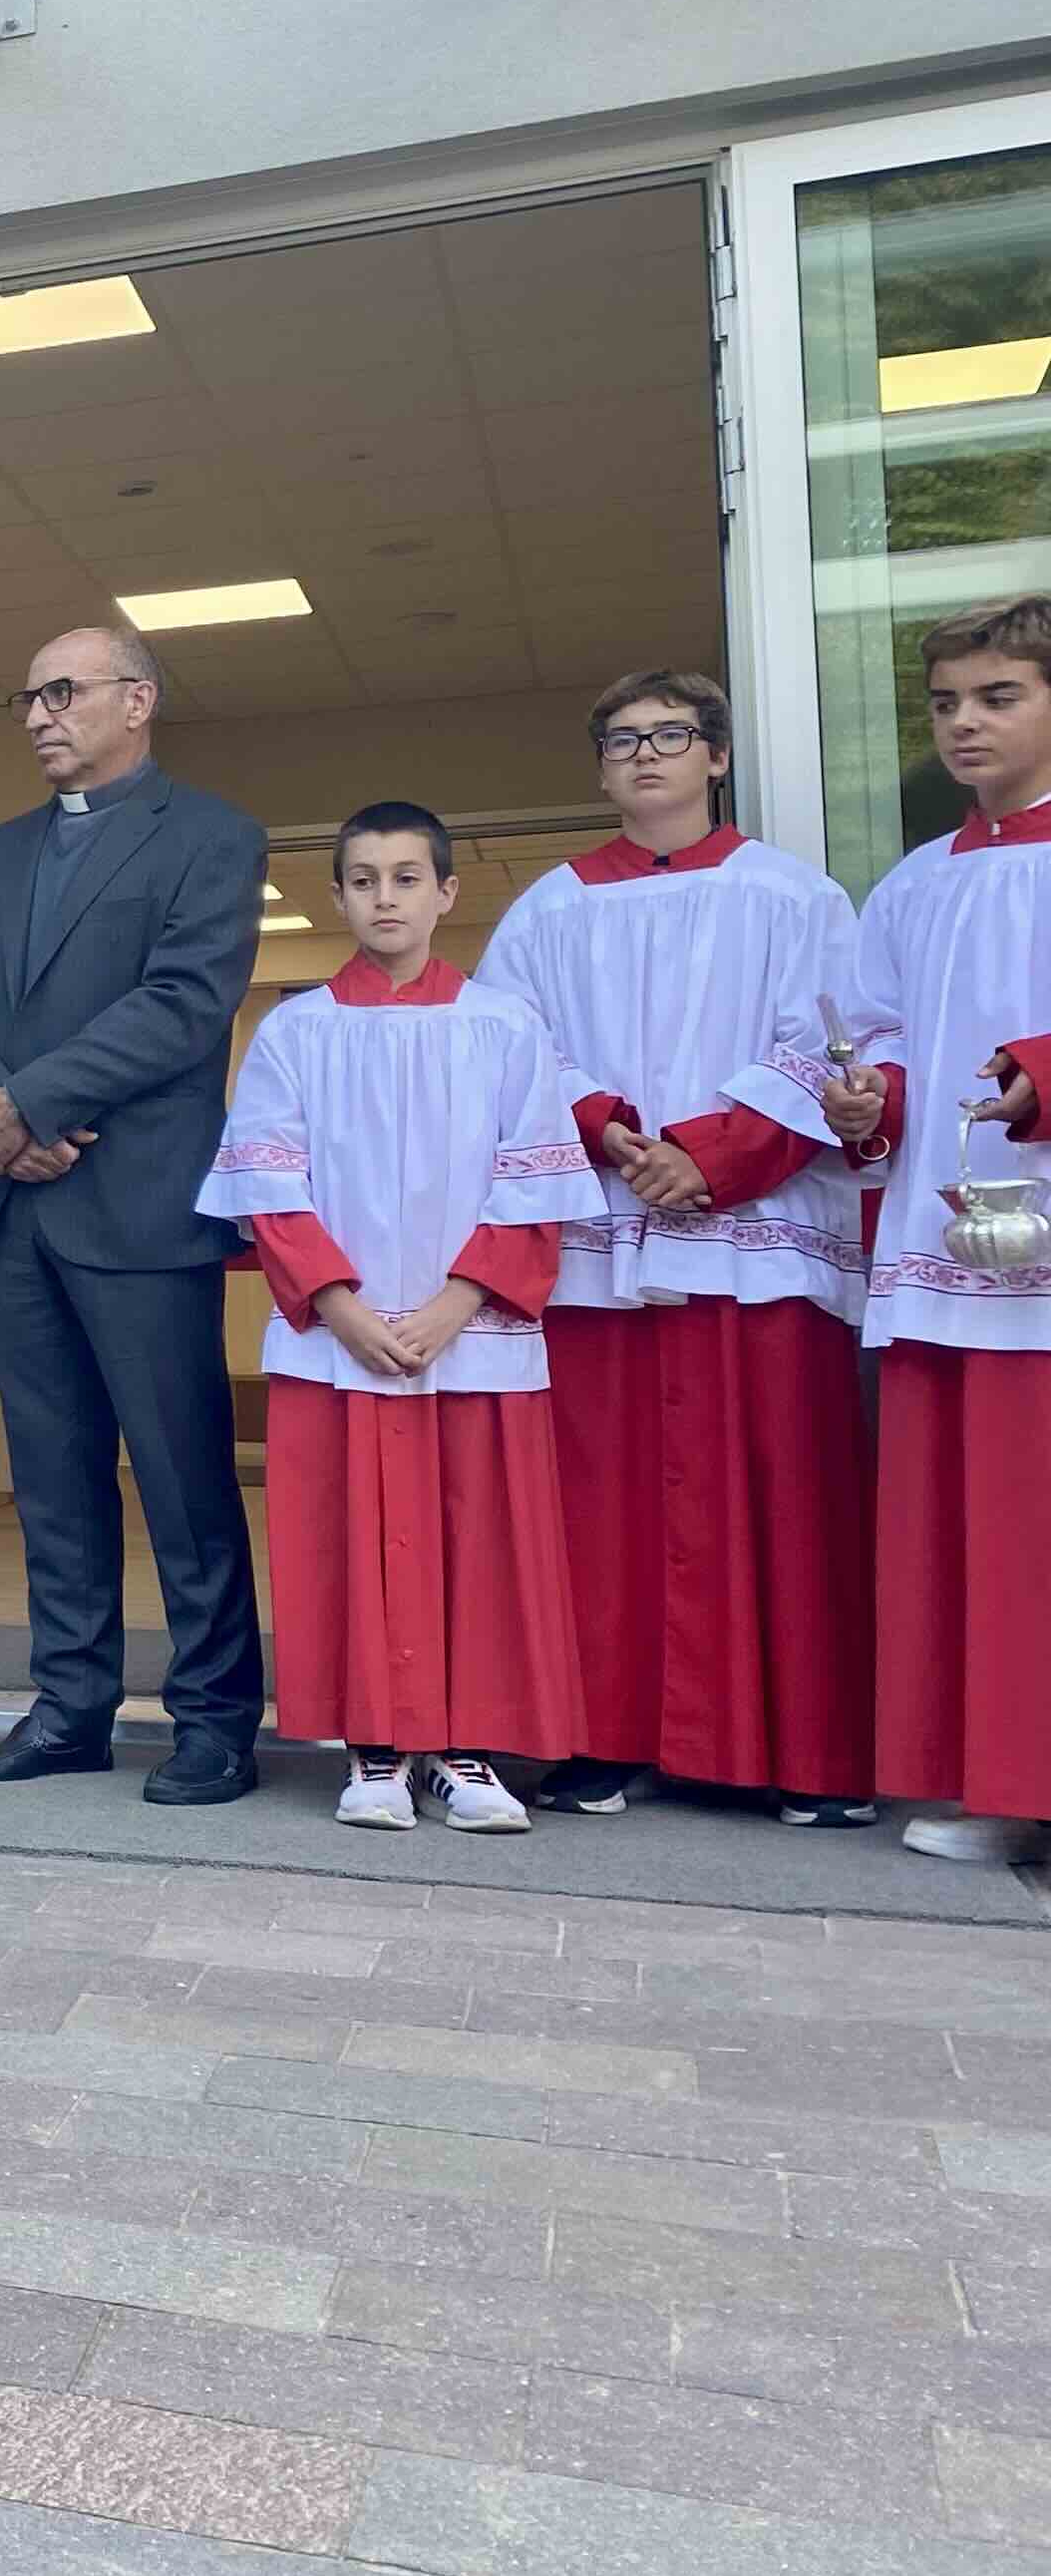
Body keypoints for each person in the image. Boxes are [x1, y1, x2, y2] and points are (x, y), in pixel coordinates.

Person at [471, 672, 875, 1825]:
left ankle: (802, 1755)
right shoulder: (546, 910)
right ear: (601, 769)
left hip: (755, 1244)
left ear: (716, 758)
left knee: (783, 1493)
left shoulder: (794, 896)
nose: (647, 756)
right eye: (623, 741)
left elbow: (839, 1043)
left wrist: (711, 1151)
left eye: (672, 737)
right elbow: (507, 1051)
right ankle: (608, 1740)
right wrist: (603, 1126)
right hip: (607, 1246)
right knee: (602, 1504)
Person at [199, 805, 605, 1832]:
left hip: (467, 1336)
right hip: (339, 1342)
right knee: (346, 1538)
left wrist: (455, 1305)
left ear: (446, 894)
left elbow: (534, 1187)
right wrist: (340, 1308)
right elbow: (271, 1188)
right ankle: (372, 1750)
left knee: (474, 1542)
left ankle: (460, 1753)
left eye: (407, 878)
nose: (387, 898)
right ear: (337, 896)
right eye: (366, 880)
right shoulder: (295, 1032)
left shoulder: (506, 1027)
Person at [0, 626, 271, 1805]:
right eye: (26, 695)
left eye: (63, 692)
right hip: (14, 1210)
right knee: (53, 1478)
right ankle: (70, 1707)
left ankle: (218, 1720)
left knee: (183, 1479)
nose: (38, 714)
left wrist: (29, 1105)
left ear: (139, 701)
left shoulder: (215, 838)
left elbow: (183, 1004)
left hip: (136, 1204)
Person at [819, 598, 1051, 1867]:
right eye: (949, 702)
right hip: (952, 1243)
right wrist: (872, 1098)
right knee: (973, 1525)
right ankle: (1001, 1783)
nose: (965, 722)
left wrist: (1042, 1070)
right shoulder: (912, 883)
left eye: (999, 696)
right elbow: (883, 1036)